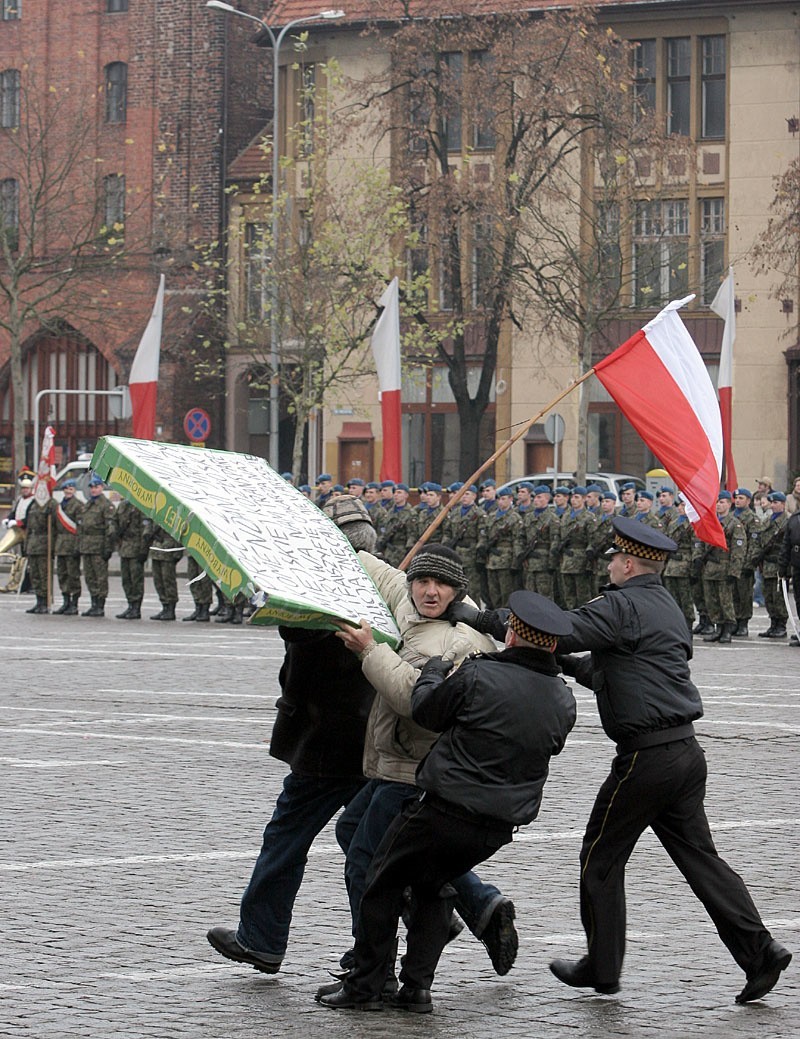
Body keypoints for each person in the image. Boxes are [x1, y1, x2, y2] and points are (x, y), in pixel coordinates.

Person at [548, 516, 791, 1003]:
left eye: (614, 559)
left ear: (629, 563)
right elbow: (615, 668)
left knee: (600, 857)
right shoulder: (665, 606)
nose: (611, 566)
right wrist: (563, 663)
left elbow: (563, 630)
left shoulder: (619, 604)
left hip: (646, 759)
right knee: (701, 860)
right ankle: (760, 949)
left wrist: (488, 620)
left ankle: (603, 965)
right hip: (684, 753)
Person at [317, 591, 577, 1013]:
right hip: (497, 826)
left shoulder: (479, 675)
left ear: (513, 635)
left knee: (379, 884)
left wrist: (434, 674)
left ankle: (366, 985)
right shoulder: (562, 698)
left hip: (443, 808)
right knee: (433, 886)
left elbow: (427, 711)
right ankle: (416, 989)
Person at [330, 545, 518, 984]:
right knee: (355, 832)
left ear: (457, 591)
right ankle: (477, 908)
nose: (430, 591)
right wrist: (331, 542)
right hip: (393, 762)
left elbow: (418, 702)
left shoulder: (459, 640)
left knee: (367, 861)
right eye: (422, 581)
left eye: (441, 585)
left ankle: (372, 962)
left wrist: (368, 650)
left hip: (420, 768)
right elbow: (375, 569)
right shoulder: (409, 599)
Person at [207, 495, 379, 975]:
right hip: (369, 737)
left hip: (326, 741)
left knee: (287, 836)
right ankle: (472, 903)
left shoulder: (322, 590)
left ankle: (261, 938)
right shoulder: (386, 584)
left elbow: (295, 630)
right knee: (385, 834)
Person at [78, 474, 115, 617]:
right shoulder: (88, 504)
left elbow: (109, 529)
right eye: (92, 487)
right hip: (87, 546)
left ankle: (100, 605)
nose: (93, 490)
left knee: (100, 577)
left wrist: (108, 548)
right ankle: (93, 603)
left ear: (102, 487)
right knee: (89, 576)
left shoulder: (106, 505)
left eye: (96, 487)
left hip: (99, 546)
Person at [753, 491, 789, 638]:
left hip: (778, 565)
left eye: (776, 503)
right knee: (768, 596)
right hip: (766, 565)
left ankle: (781, 625)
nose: (773, 505)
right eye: (772, 503)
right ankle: (773, 623)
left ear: (783, 504)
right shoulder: (767, 520)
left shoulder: (786, 522)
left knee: (778, 596)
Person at [113, 498, 152, 620]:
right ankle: (130, 605)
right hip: (124, 547)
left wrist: (143, 550)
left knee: (136, 580)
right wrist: (115, 533)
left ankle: (136, 608)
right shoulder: (122, 505)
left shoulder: (142, 505)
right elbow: (114, 521)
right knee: (126, 579)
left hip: (137, 547)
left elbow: (146, 530)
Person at [52, 480, 84, 615]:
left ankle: (74, 603)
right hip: (61, 545)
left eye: (71, 488)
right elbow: (54, 527)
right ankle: (66, 601)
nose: (68, 491)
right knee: (62, 575)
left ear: (74, 490)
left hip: (72, 544)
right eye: (66, 488)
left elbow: (80, 528)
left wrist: (78, 546)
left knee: (73, 575)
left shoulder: (78, 506)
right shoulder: (59, 506)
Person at [149, 524, 184, 621]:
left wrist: (178, 552)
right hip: (156, 549)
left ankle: (171, 609)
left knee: (168, 580)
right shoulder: (157, 512)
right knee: (158, 581)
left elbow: (179, 531)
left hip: (169, 549)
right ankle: (164, 606)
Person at [778, 499, 800, 645]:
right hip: (798, 564)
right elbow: (786, 544)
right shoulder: (794, 518)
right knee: (799, 600)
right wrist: (783, 567)